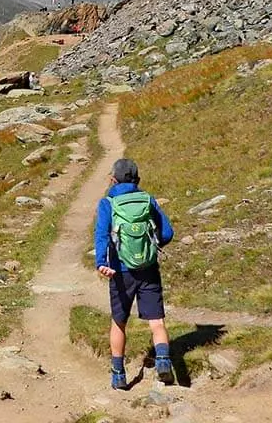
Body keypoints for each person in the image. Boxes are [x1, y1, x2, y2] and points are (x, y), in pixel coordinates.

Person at [94, 158, 174, 390]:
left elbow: (101, 235)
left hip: (120, 271)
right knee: (156, 321)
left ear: (113, 179)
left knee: (119, 322)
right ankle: (163, 361)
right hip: (148, 268)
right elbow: (167, 232)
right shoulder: (147, 200)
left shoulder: (107, 203)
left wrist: (101, 262)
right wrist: (150, 248)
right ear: (137, 179)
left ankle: (118, 376)